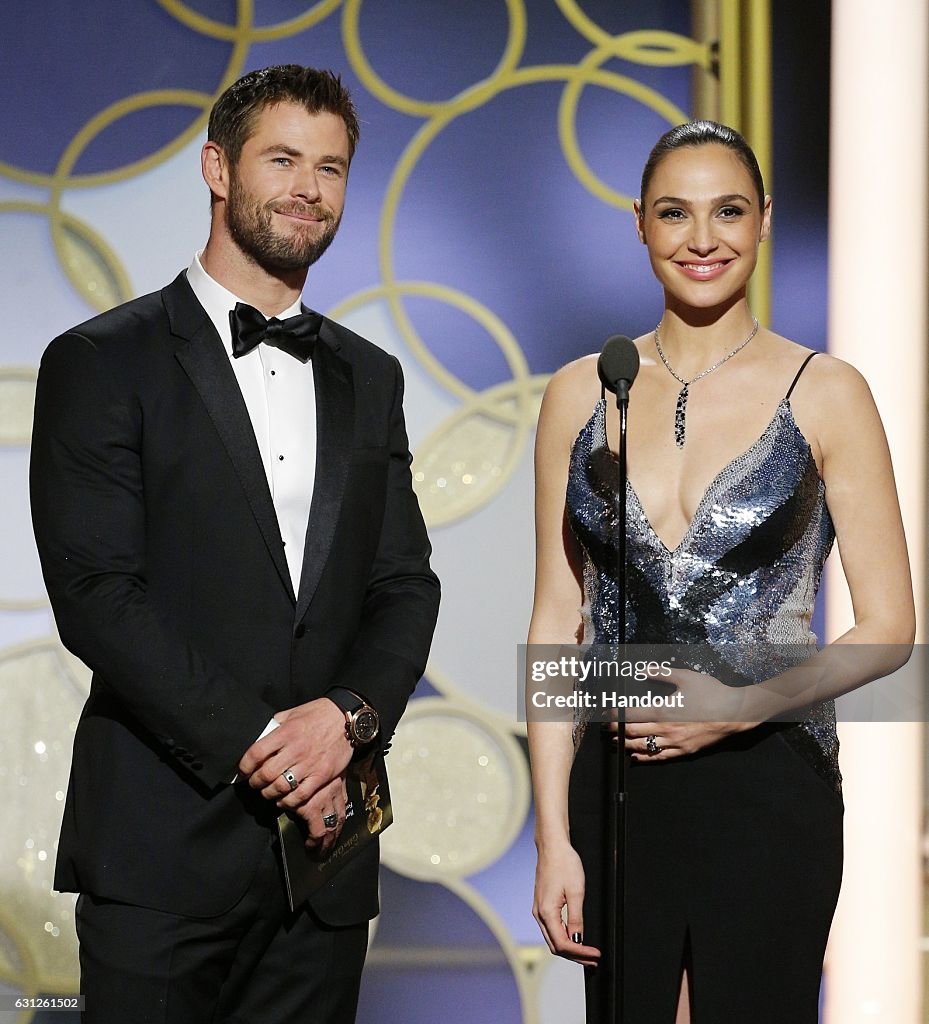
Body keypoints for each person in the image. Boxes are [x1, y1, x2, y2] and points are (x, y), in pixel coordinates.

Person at [30, 65, 440, 1024]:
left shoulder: (369, 377)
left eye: (330, 168)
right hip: (162, 851)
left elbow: (403, 585)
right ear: (217, 168)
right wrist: (264, 743)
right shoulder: (101, 361)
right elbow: (96, 593)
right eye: (283, 159)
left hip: (325, 859)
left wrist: (347, 719)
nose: (308, 188)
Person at [527, 120, 914, 1022]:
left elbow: (890, 628)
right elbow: (554, 621)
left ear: (764, 220)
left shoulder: (827, 391)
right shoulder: (581, 392)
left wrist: (736, 701)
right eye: (675, 213)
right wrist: (551, 835)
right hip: (617, 793)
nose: (702, 239)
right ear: (639, 225)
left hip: (768, 779)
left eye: (727, 211)